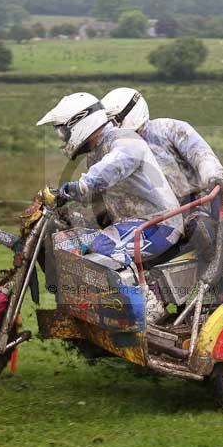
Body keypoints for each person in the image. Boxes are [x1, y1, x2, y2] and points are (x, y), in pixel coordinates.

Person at [101, 87, 223, 294]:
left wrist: (213, 176)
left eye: (115, 120)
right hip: (171, 217)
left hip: (208, 195)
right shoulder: (117, 153)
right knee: (203, 236)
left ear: (131, 112)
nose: (113, 127)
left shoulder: (169, 128)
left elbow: (200, 154)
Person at [37, 92, 183, 322]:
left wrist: (79, 186)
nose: (63, 137)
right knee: (70, 242)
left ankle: (149, 307)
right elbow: (97, 194)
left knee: (103, 246)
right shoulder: (98, 152)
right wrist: (66, 202)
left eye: (64, 131)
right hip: (132, 224)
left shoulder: (125, 140)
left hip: (160, 224)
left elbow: (112, 168)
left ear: (81, 122)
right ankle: (95, 310)